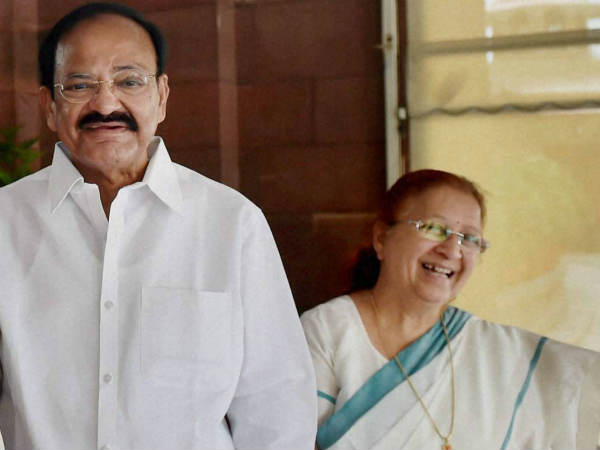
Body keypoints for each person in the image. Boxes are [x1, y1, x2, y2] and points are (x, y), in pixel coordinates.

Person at [0, 3, 316, 449]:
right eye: (80, 85)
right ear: (49, 107)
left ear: (162, 97)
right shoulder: (6, 223)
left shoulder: (231, 224)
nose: (106, 104)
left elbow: (277, 411)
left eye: (129, 81)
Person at [301, 169, 600, 450]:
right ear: (381, 238)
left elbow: (579, 389)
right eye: (433, 228)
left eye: (469, 239)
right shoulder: (326, 330)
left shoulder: (495, 353)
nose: (452, 250)